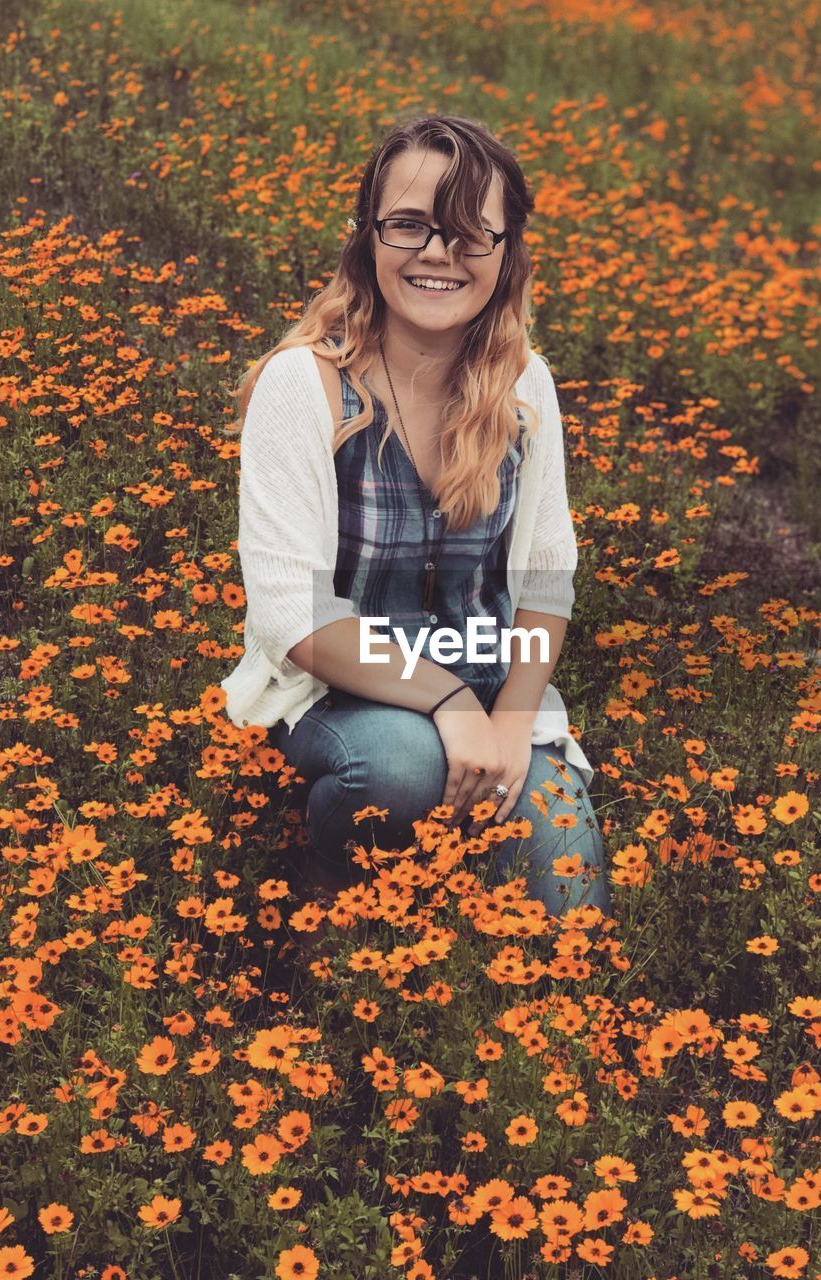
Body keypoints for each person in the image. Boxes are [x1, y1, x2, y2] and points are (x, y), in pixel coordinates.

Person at [220, 113, 611, 921]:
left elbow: (545, 577)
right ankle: (326, 892)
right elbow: (294, 615)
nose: (438, 254)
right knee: (398, 769)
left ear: (507, 255)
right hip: (338, 697)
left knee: (569, 900)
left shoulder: (524, 385)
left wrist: (509, 722)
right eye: (410, 226)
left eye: (470, 234)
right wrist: (448, 702)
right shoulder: (307, 386)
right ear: (367, 238)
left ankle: (451, 949)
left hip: (488, 695)